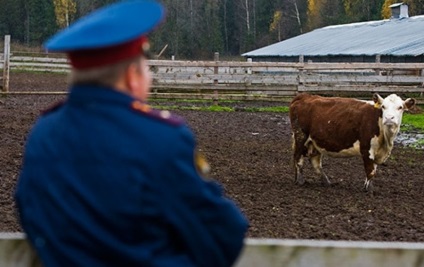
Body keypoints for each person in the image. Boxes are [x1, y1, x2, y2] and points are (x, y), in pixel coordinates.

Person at [14, 1, 248, 266]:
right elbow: (222, 235)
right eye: (147, 68)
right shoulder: (162, 139)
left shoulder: (44, 134)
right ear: (132, 76)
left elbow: (30, 213)